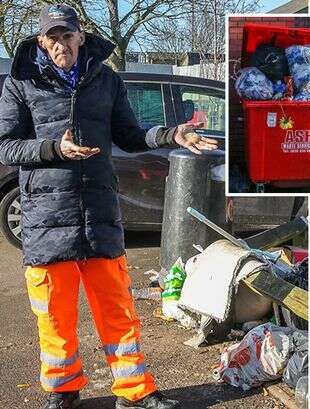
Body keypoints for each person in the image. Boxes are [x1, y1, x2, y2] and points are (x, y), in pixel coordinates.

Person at [0, 4, 219, 409]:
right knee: (54, 315)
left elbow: (131, 135)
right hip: (47, 217)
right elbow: (7, 145)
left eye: (67, 35)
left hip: (99, 211)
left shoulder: (106, 79)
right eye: (52, 36)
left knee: (118, 309)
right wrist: (53, 148)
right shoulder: (20, 82)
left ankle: (134, 393)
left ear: (81, 37)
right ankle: (63, 391)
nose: (60, 43)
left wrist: (172, 135)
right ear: (40, 41)